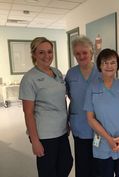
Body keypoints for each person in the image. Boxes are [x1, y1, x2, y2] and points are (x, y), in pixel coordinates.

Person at [19, 37, 73, 177]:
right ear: (34, 54)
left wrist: (66, 122)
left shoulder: (57, 72)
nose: (47, 56)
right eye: (41, 52)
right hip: (45, 134)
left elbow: (61, 99)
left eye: (49, 51)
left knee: (66, 163)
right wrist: (35, 141)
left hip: (61, 130)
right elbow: (28, 113)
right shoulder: (29, 78)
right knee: (48, 171)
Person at [84, 48, 119, 177]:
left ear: (117, 65)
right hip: (104, 143)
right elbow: (90, 118)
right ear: (99, 65)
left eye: (113, 62)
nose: (109, 66)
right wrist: (109, 139)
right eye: (105, 62)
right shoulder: (93, 88)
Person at [65, 36, 100, 177]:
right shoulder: (71, 73)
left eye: (84, 52)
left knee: (98, 163)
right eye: (77, 54)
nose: (81, 56)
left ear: (91, 53)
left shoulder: (101, 72)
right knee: (82, 164)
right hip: (79, 125)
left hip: (100, 126)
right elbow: (69, 95)